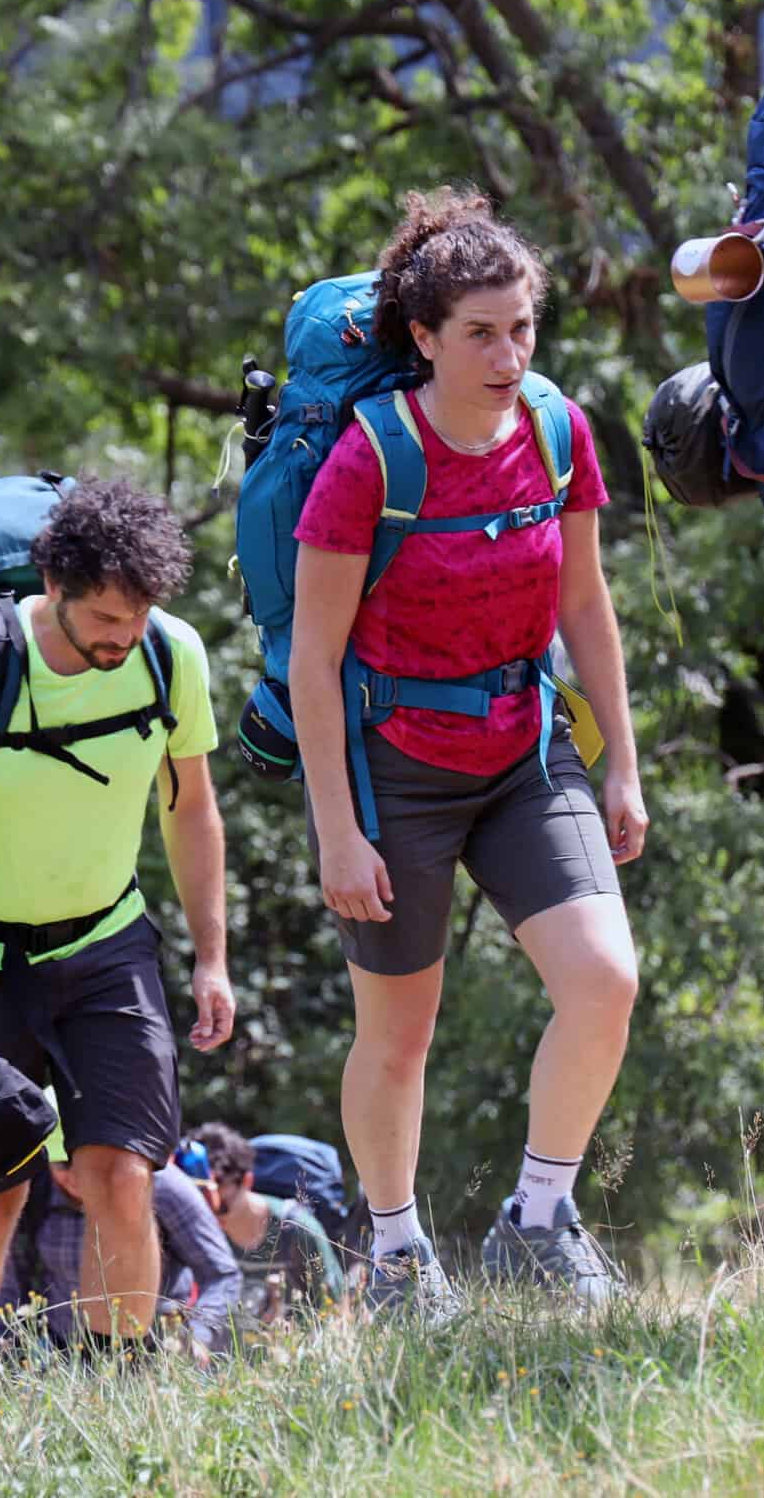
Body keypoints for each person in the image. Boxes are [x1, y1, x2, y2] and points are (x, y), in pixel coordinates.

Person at [290, 188, 648, 1317]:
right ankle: (394, 1252)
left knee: (606, 980)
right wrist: (338, 833)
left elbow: (587, 604)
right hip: (397, 768)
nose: (508, 354)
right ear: (424, 338)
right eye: (481, 333)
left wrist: (625, 761)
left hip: (528, 749)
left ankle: (537, 1218)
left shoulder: (556, 428)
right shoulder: (369, 463)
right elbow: (313, 661)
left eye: (523, 327)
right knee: (399, 1036)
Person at [0, 475, 234, 1361]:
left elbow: (189, 808)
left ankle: (119, 1388)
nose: (125, 636)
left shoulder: (168, 655)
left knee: (121, 1176)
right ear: (55, 589)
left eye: (138, 615)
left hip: (106, 946)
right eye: (107, 618)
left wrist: (210, 957)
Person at [0, 1131, 242, 1358]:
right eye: (63, 1166)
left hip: (156, 1348)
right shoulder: (35, 1192)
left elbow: (222, 1274)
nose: (74, 1177)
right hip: (62, 1352)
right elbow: (8, 1284)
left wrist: (197, 1338)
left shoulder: (162, 1185)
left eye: (84, 1165)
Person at [185, 1122, 345, 1325]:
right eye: (200, 1201)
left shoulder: (297, 1229)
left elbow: (337, 1313)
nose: (210, 1214)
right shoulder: (197, 1232)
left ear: (246, 1181)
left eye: (221, 1204)